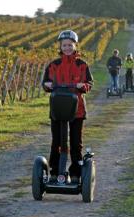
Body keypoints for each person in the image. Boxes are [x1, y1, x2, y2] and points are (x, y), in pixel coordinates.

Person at [42, 30, 93, 183]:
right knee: (56, 142)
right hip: (58, 109)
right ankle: (55, 172)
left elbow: (89, 84)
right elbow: (45, 83)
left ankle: (76, 174)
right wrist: (47, 85)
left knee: (76, 144)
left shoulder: (82, 65)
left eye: (70, 45)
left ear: (75, 45)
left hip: (77, 109)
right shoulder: (53, 65)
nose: (67, 48)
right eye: (64, 45)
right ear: (60, 46)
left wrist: (82, 85)